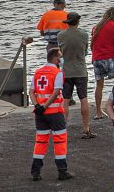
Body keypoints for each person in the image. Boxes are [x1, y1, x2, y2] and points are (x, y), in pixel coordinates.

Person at [30, 48, 74, 181]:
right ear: (55, 58)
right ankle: (62, 171)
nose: (61, 59)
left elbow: (31, 91)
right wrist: (45, 106)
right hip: (54, 113)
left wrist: (37, 106)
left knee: (40, 142)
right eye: (60, 57)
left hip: (40, 114)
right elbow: (55, 93)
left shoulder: (37, 72)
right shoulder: (57, 73)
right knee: (60, 141)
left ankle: (35, 172)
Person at [57, 12, 94, 139]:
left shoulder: (60, 36)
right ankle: (86, 129)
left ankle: (62, 128)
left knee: (65, 100)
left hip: (67, 71)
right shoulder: (84, 35)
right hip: (80, 71)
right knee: (83, 98)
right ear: (78, 22)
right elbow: (85, 52)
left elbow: (60, 52)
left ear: (67, 22)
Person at [91, 6, 114, 120]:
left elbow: (93, 45)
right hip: (109, 57)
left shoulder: (96, 27)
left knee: (99, 86)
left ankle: (98, 112)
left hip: (96, 59)